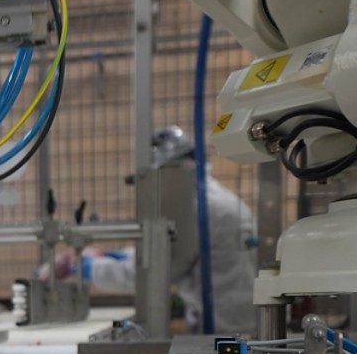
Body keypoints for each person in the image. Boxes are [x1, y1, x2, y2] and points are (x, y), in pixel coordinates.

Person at [62, 126, 258, 334]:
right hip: (235, 318)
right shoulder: (209, 197)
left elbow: (159, 270)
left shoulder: (197, 206)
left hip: (226, 327)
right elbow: (178, 253)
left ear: (168, 171)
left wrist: (87, 268)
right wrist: (115, 255)